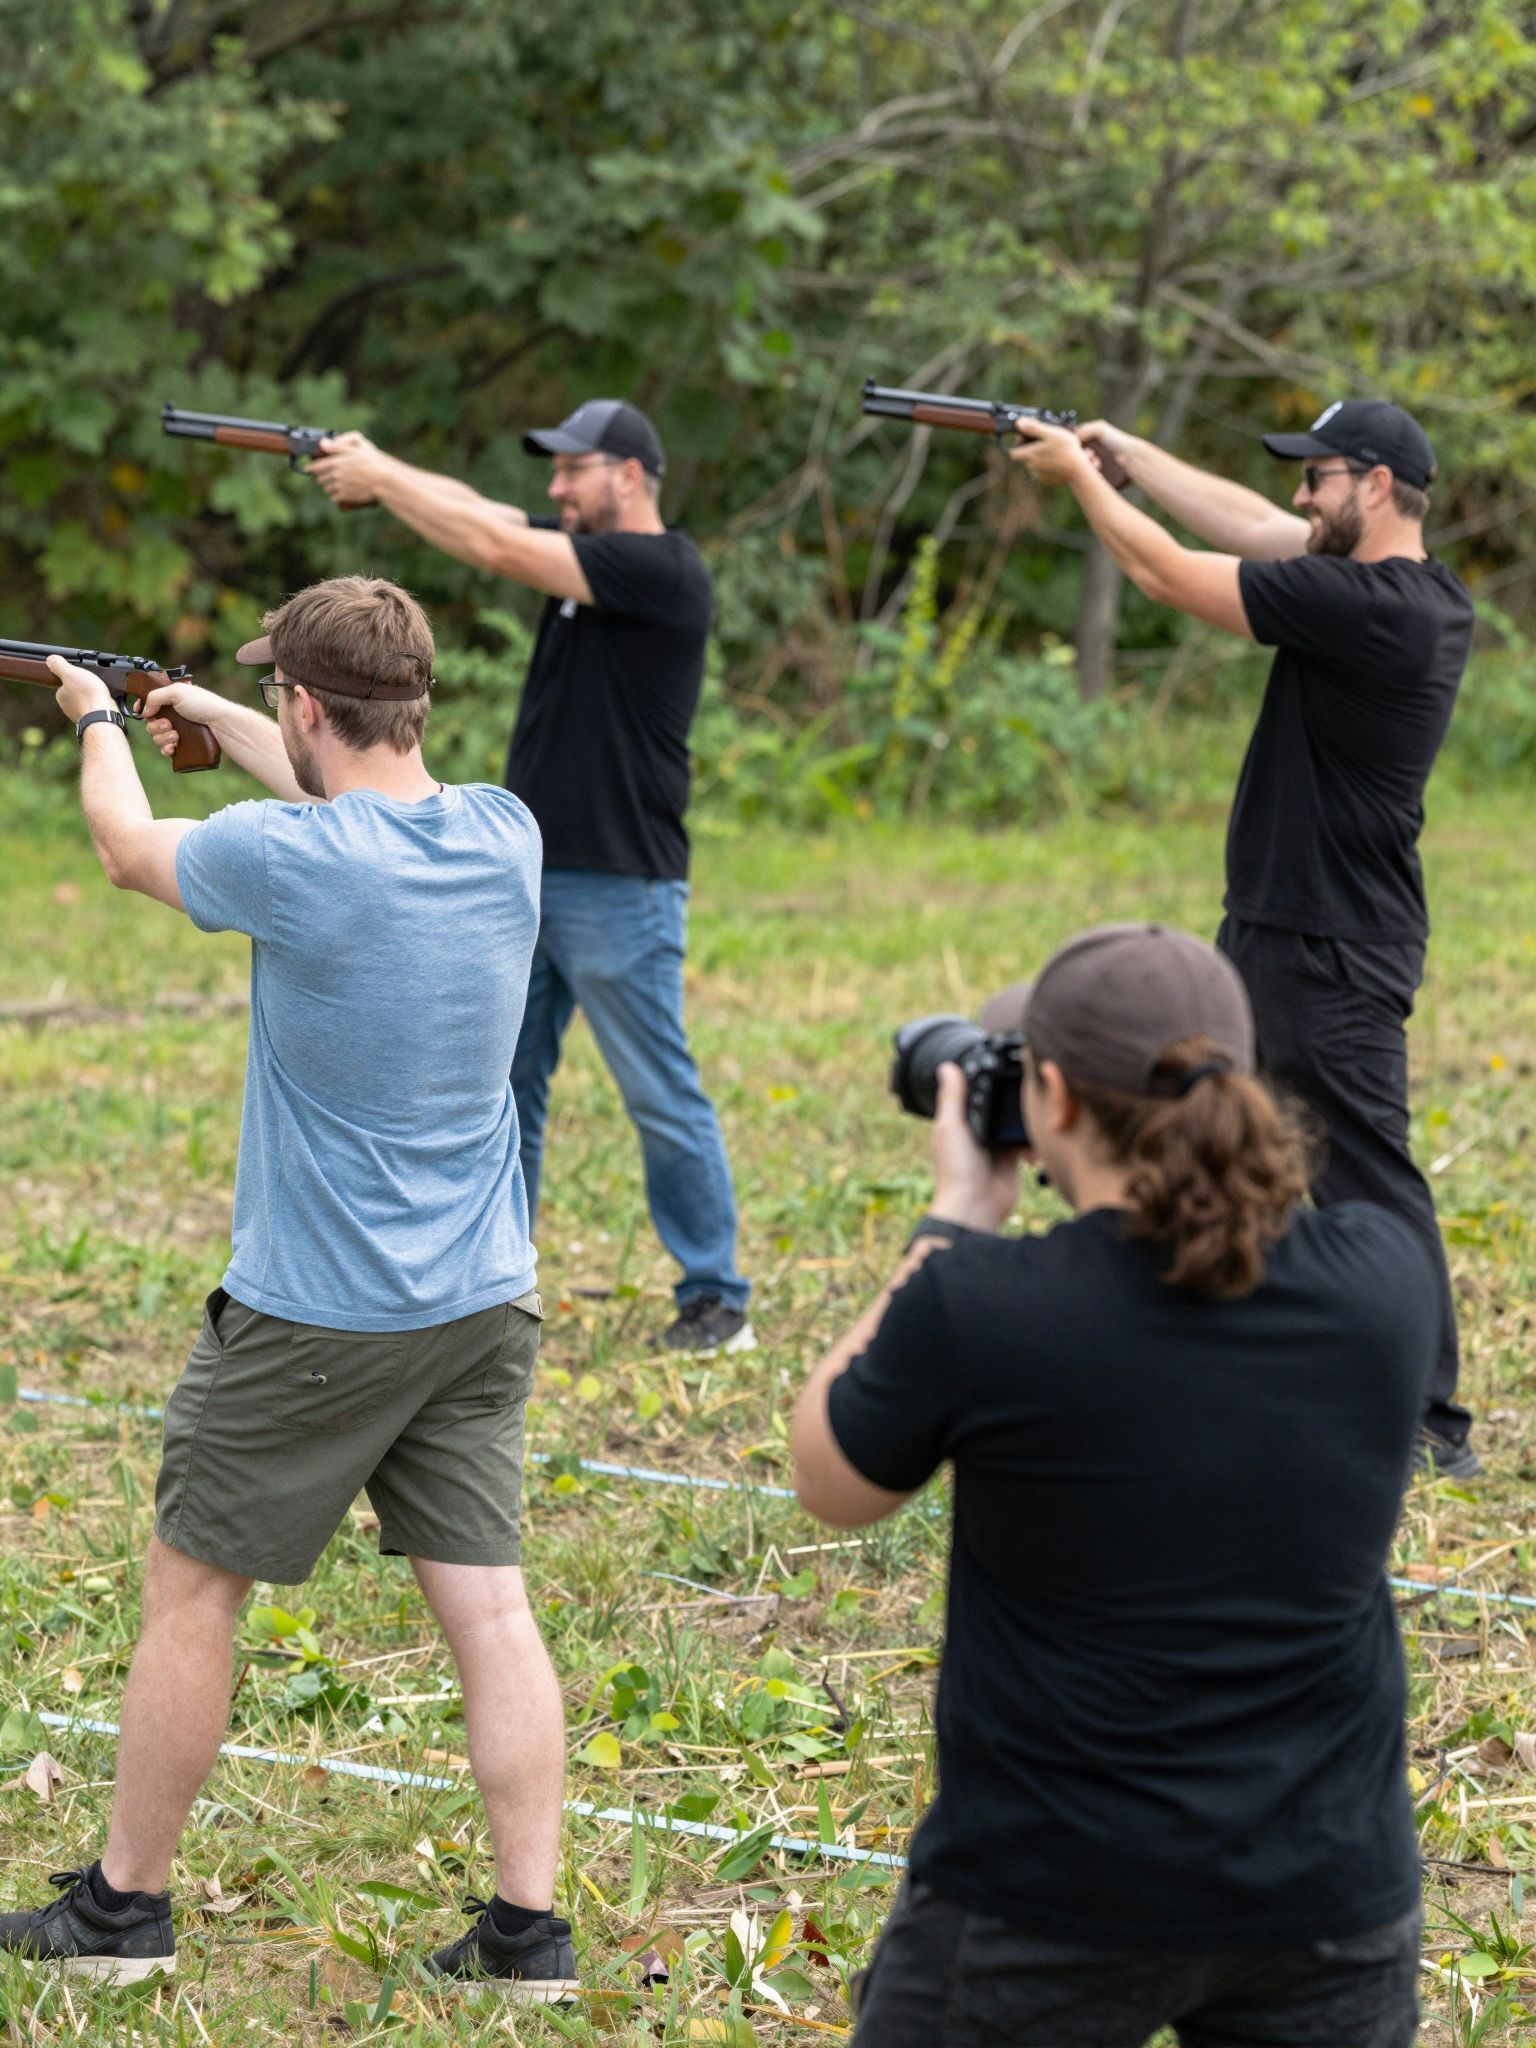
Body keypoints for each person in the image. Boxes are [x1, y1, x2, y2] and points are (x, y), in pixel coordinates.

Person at [0, 578, 575, 2001]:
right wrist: (207, 713)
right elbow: (350, 794)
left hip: (320, 1312)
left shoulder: (294, 861)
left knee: (192, 1589)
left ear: (308, 703)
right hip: (481, 1298)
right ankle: (528, 1937)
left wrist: (96, 719)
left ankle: (125, 1914)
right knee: (493, 1613)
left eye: (282, 700)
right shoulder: (504, 832)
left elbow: (131, 850)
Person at [793, 923, 1434, 2048]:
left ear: (1050, 1096)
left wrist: (955, 1217)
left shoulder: (986, 1306)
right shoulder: (1385, 1280)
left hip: (1051, 1889)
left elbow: (829, 1478)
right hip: (1328, 1886)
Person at [1011, 398, 1476, 1476]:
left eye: (1317, 478)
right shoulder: (1389, 587)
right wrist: (1129, 455)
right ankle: (1221, 1358)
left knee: (1363, 1174)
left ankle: (1429, 1417)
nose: (1300, 497)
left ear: (1371, 483)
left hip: (1330, 942)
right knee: (1216, 1139)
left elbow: (1174, 575)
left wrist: (1079, 485)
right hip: (1281, 926)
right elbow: (1244, 524)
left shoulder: (1372, 610)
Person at [308, 403, 753, 1356]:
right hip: (534, 872)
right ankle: (497, 1271)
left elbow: (496, 549)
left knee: (658, 1089)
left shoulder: (660, 569)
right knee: (508, 1083)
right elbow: (484, 515)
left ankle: (717, 1296)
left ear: (629, 474)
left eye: (572, 471)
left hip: (621, 880)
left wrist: (381, 474)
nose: (554, 490)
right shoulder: (584, 550)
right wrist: (382, 468)